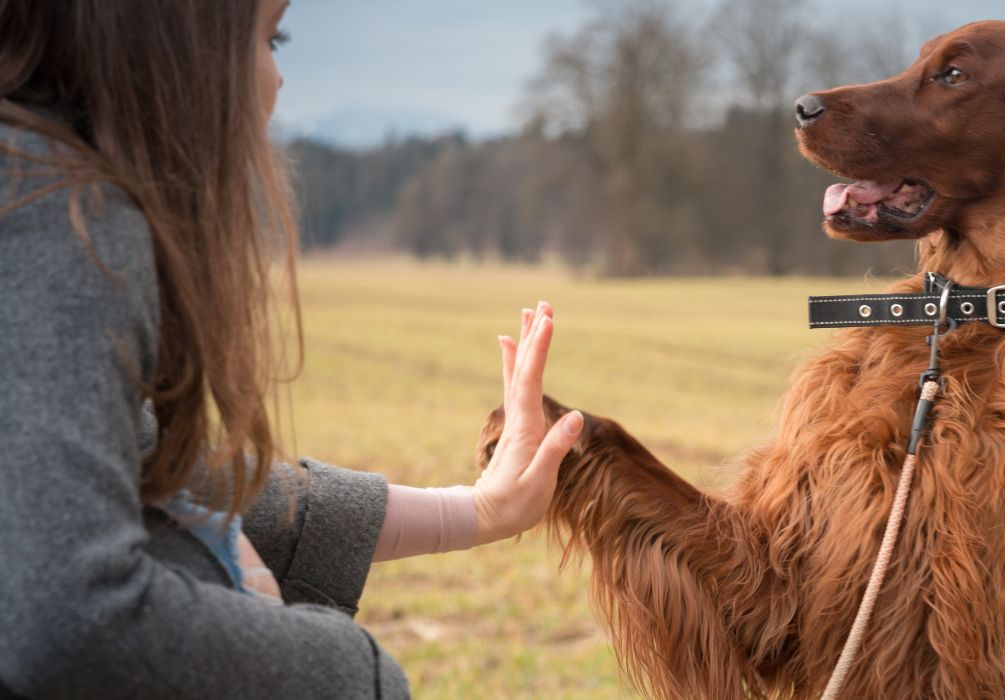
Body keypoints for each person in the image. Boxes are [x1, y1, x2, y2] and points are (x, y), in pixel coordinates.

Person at [0, 1, 582, 697]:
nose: (277, 81)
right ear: (165, 39)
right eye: (266, 37)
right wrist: (351, 675)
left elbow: (151, 472)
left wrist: (477, 509)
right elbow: (72, 618)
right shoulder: (59, 221)